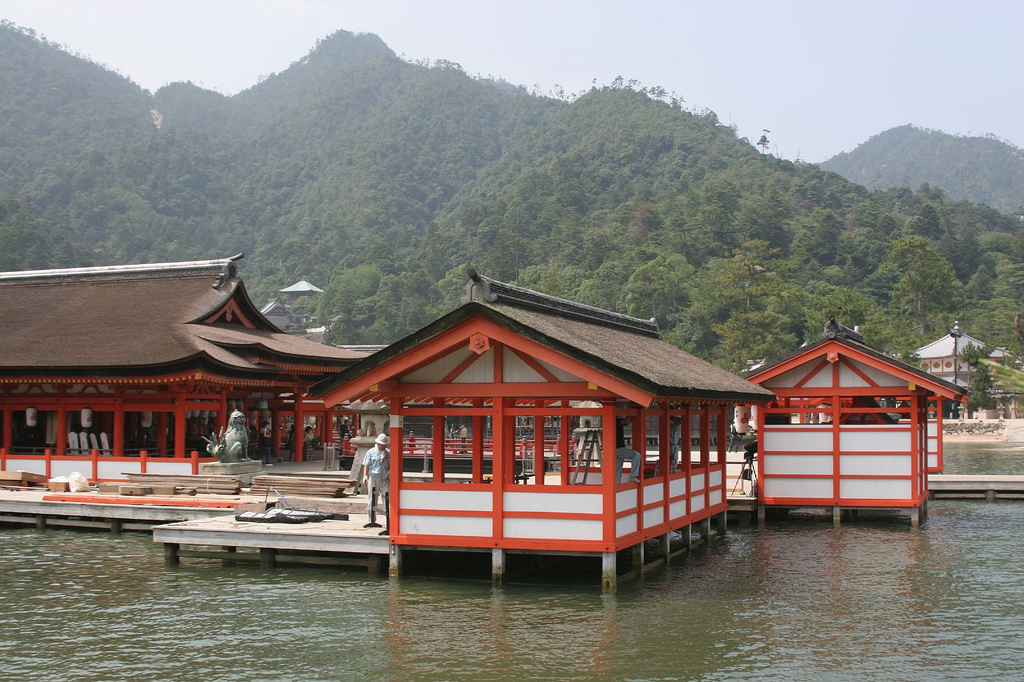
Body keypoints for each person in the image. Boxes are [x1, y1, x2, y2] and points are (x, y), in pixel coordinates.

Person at [362, 433, 390, 533]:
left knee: (386, 498)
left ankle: (389, 520)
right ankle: (371, 519)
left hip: (385, 477)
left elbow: (391, 466)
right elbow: (366, 464)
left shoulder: (388, 453)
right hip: (373, 476)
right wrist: (365, 476)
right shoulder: (371, 452)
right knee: (372, 498)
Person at [615, 417, 641, 483]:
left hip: (612, 450)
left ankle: (616, 485)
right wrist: (630, 410)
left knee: (617, 469)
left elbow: (629, 420)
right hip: (618, 449)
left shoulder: (612, 420)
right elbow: (626, 420)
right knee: (636, 455)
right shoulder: (615, 421)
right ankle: (632, 476)